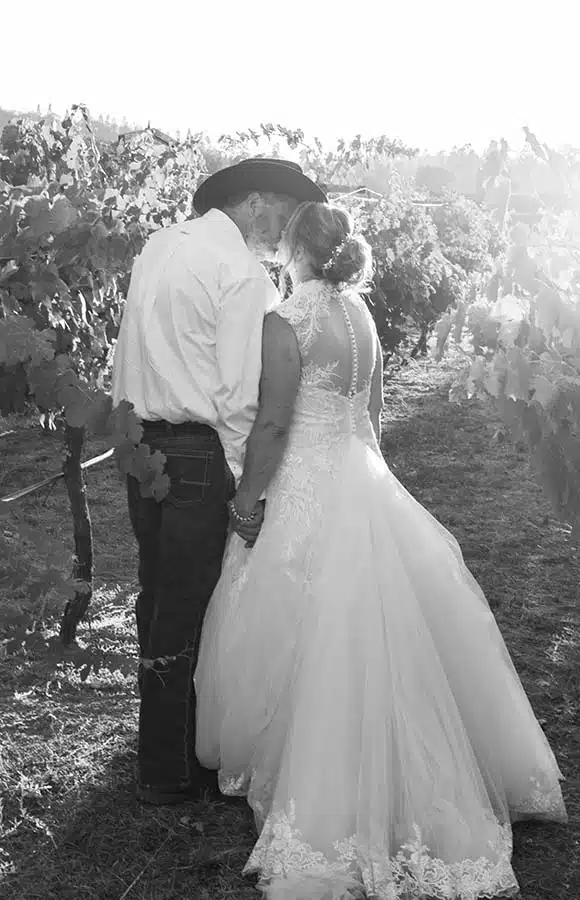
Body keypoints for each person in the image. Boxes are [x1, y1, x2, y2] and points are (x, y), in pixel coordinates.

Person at [194, 201, 567, 899]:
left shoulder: (286, 321)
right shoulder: (362, 318)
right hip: (361, 475)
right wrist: (373, 486)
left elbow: (273, 425)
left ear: (296, 250)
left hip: (306, 480)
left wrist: (248, 499)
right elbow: (371, 417)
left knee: (299, 614)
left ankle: (324, 782)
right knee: (384, 626)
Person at [111, 159, 327, 806]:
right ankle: (170, 770)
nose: (287, 234)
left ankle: (163, 748)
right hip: (198, 453)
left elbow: (130, 347)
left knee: (157, 596)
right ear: (256, 202)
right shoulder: (240, 273)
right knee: (192, 605)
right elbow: (238, 396)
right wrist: (246, 490)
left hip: (140, 441)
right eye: (287, 215)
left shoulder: (161, 244)